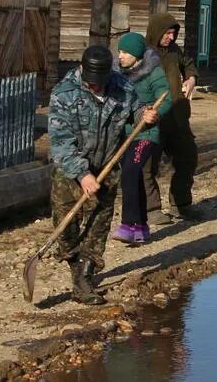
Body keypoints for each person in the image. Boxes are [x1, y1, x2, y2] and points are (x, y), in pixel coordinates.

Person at [48, 45, 158, 304]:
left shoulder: (121, 87)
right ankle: (74, 264)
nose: (95, 87)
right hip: (70, 170)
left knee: (98, 223)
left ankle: (84, 278)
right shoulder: (64, 94)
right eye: (91, 83)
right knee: (66, 225)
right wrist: (82, 175)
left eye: (100, 83)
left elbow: (138, 109)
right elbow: (61, 144)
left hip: (107, 164)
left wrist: (147, 115)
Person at [112, 33, 172, 245]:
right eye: (119, 51)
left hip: (146, 133)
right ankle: (141, 227)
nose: (121, 56)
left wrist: (153, 115)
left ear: (137, 55)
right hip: (124, 134)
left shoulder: (153, 72)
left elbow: (166, 99)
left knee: (129, 173)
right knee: (134, 177)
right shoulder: (116, 73)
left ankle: (128, 225)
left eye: (125, 52)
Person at [144, 13, 200, 224]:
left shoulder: (175, 51)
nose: (171, 37)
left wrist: (192, 78)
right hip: (153, 119)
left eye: (173, 33)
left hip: (177, 116)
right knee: (147, 166)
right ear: (156, 32)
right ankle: (151, 209)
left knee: (187, 158)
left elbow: (189, 64)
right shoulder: (143, 54)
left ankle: (181, 204)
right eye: (166, 33)